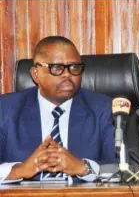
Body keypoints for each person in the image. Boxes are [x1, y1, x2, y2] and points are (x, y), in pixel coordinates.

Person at [0, 36, 116, 183]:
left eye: (74, 67)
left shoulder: (102, 109)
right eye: (57, 68)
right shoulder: (5, 109)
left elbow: (122, 169)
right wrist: (20, 170)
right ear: (36, 74)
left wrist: (84, 168)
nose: (67, 74)